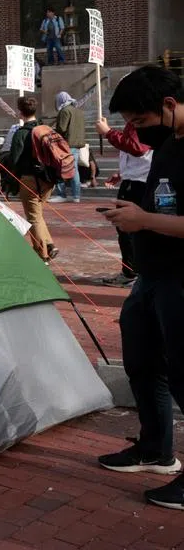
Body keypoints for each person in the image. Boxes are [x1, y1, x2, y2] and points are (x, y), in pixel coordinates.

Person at [96, 66, 184, 510]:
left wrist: (144, 220)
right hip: (152, 276)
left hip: (180, 279)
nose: (138, 135)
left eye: (141, 123)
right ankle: (155, 449)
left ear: (169, 106)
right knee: (142, 362)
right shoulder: (169, 144)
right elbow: (164, 199)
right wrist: (133, 208)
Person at [95, 117, 153, 287]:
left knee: (127, 228)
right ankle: (136, 270)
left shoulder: (143, 121)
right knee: (131, 229)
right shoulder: (141, 121)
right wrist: (122, 173)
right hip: (136, 178)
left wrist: (108, 132)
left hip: (139, 182)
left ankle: (131, 271)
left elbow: (137, 148)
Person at [8, 96, 57, 262]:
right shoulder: (46, 129)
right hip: (49, 179)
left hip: (29, 179)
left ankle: (42, 254)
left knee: (33, 217)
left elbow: (15, 160)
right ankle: (49, 244)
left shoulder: (20, 133)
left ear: (20, 112)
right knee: (37, 213)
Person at [52, 91, 85, 203]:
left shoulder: (64, 111)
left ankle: (61, 194)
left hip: (66, 144)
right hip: (77, 144)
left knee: (60, 168)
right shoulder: (78, 111)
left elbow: (62, 129)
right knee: (74, 169)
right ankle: (76, 195)